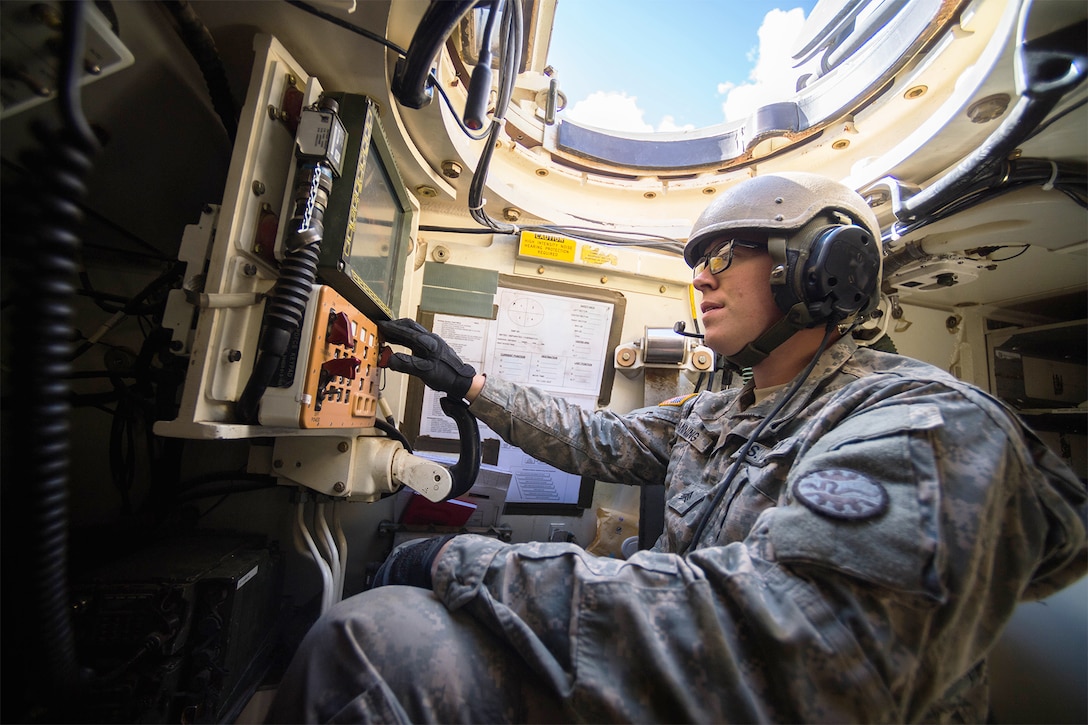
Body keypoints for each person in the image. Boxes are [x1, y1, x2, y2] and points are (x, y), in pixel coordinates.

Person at [268, 172, 1086, 723]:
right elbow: (602, 438)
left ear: (825, 270)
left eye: (728, 255)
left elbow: (807, 659)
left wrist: (461, 565)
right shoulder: (727, 408)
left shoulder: (924, 422)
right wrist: (474, 382)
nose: (701, 277)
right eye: (697, 259)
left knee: (374, 650)